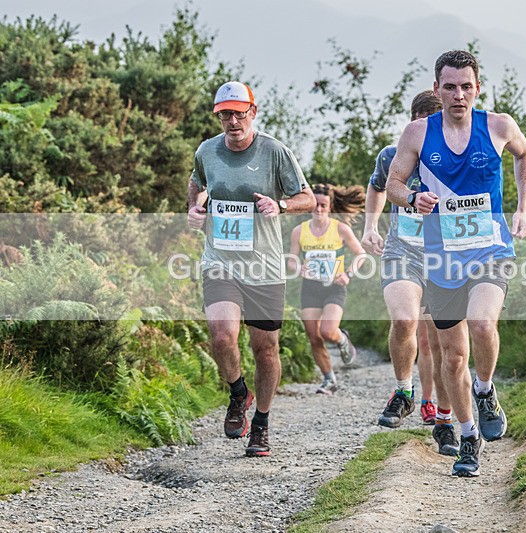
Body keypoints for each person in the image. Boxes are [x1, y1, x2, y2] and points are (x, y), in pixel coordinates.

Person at [386, 50, 526, 477]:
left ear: (477, 89)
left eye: (466, 86)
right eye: (449, 87)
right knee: (451, 355)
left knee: (483, 324)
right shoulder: (417, 133)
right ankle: (468, 436)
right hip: (441, 257)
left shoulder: (499, 125)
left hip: (490, 249)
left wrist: (523, 208)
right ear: (437, 89)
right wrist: (413, 198)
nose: (458, 95)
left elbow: (525, 156)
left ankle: (485, 390)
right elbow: (394, 183)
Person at [187, 81, 315, 457]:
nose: (232, 121)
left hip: (264, 267)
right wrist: (195, 209)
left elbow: (306, 197)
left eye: (238, 113)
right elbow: (196, 186)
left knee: (266, 348)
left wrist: (282, 206)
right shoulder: (206, 151)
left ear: (252, 113)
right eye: (225, 114)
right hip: (220, 261)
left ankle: (261, 422)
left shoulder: (275, 151)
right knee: (222, 335)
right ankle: (238, 393)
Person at [362, 90, 458, 456]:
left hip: (445, 256)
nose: (420, 131)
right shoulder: (391, 155)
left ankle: (445, 419)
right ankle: (404, 391)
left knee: (442, 342)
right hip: (402, 250)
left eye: (428, 125)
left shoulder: (455, 157)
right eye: (415, 123)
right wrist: (370, 226)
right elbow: (376, 187)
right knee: (404, 320)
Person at [287, 183, 366, 395]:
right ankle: (329, 379)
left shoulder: (340, 229)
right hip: (310, 288)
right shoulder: (299, 231)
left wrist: (347, 274)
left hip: (334, 287)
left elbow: (361, 255)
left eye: (323, 205)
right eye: (315, 205)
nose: (319, 209)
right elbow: (291, 260)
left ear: (330, 207)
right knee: (314, 336)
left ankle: (343, 339)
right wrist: (299, 267)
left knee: (328, 331)